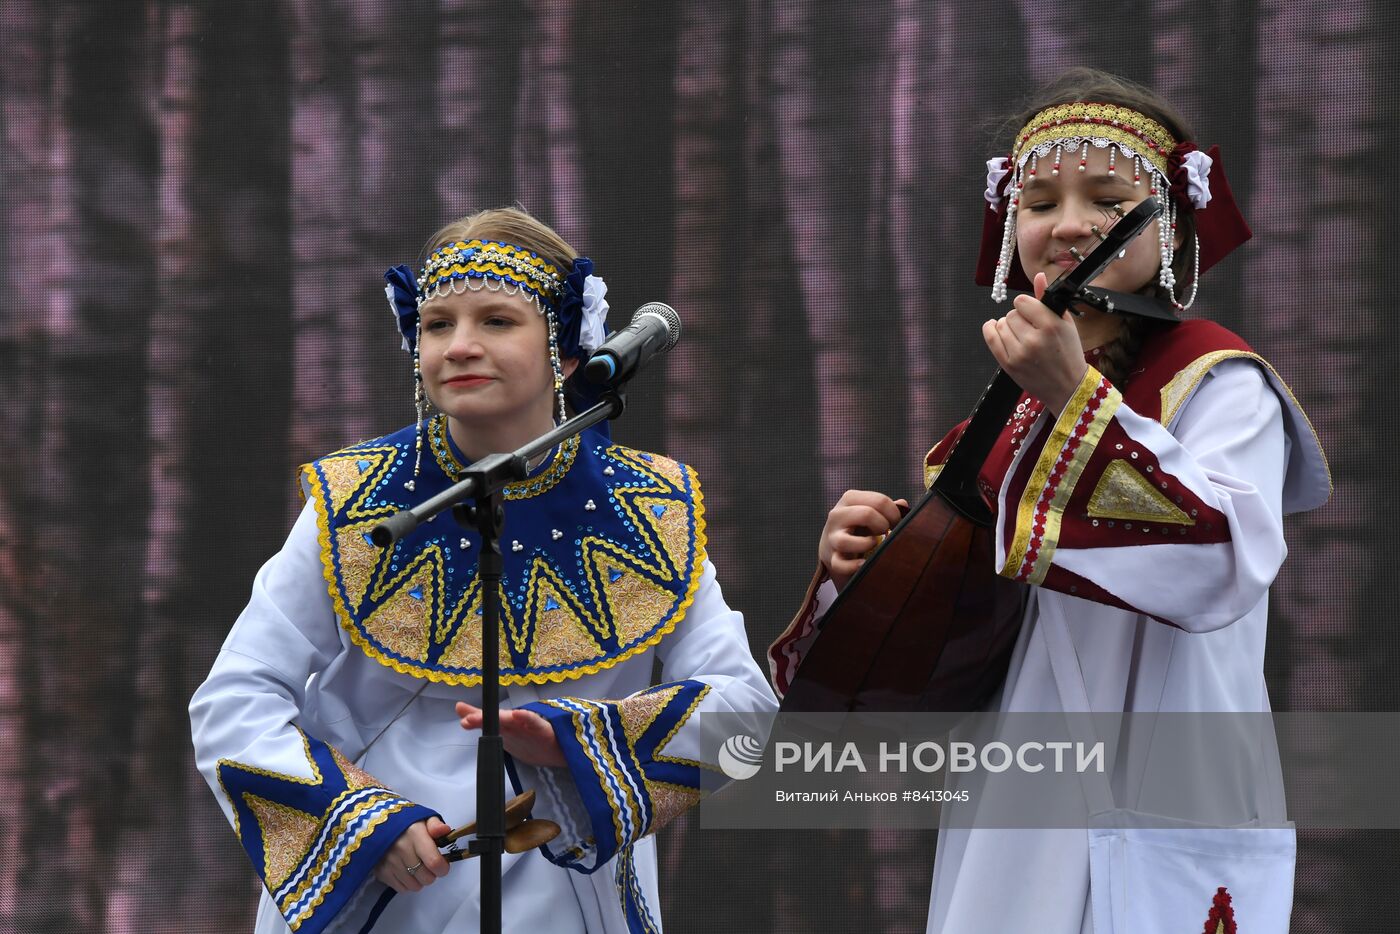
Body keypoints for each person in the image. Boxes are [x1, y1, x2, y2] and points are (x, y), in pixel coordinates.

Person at [768, 68, 1330, 933]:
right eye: (1038, 203)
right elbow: (940, 670)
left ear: (1171, 224)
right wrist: (868, 571)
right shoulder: (989, 430)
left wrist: (1076, 398)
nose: (1068, 225)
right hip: (1017, 800)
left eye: (1107, 197)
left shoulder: (1221, 382)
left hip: (1163, 780)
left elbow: (1226, 565)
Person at [190, 207, 777, 934]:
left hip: (571, 899)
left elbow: (745, 713)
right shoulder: (359, 502)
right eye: (437, 325)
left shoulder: (648, 507)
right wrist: (360, 825)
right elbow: (235, 700)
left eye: (496, 321)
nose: (459, 346)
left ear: (567, 350)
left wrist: (574, 742)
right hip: (380, 897)